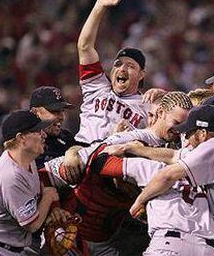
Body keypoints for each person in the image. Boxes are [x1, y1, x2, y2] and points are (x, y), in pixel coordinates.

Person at [40, 92, 193, 255]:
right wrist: (54, 207)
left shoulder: (178, 147)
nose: (180, 131)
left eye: (185, 126)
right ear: (160, 113)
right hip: (72, 233)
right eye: (176, 123)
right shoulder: (126, 141)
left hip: (114, 239)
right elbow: (47, 173)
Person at [130, 105, 214, 255]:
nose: (187, 139)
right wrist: (136, 149)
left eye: (189, 133)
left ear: (202, 133)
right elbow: (175, 155)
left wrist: (139, 201)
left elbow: (167, 175)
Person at [76, 0, 149, 143]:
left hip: (116, 161)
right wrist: (99, 7)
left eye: (130, 66)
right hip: (80, 154)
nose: (122, 68)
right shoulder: (96, 87)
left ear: (141, 74)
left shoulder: (148, 107)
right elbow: (84, 47)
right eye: (118, 64)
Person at [0, 110, 59, 255]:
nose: (44, 135)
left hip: (13, 247)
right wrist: (48, 197)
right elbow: (32, 224)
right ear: (21, 138)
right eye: (37, 131)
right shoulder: (9, 175)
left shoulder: (28, 159)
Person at [29, 86, 82, 169]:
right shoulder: (25, 145)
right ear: (35, 112)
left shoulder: (66, 137)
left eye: (62, 111)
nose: (61, 117)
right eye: (54, 111)